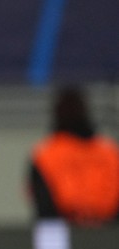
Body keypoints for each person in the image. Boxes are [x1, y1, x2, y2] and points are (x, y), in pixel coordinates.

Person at [28, 85, 119, 224]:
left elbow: (44, 206)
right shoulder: (110, 152)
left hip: (62, 232)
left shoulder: (45, 154)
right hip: (109, 232)